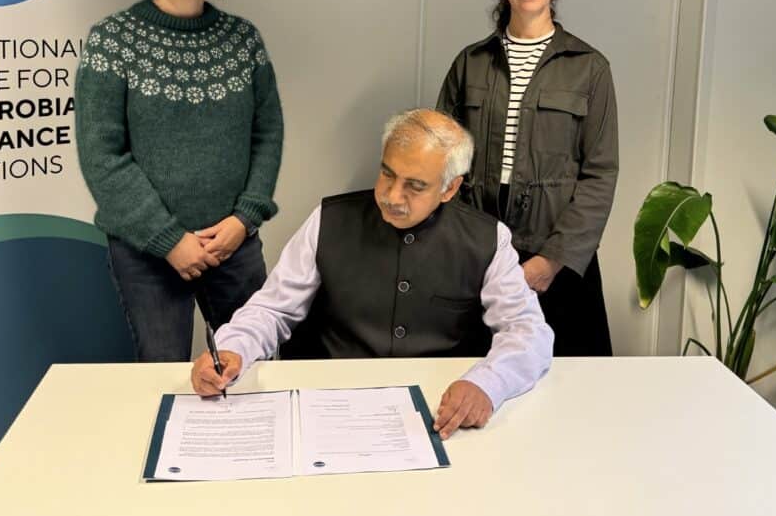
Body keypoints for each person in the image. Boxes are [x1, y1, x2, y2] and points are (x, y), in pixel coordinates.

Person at [191, 109, 553, 440]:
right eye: (387, 174)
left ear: (450, 188)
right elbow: (272, 309)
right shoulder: (328, 219)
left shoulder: (488, 238)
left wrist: (488, 384)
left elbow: (528, 331)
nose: (392, 196)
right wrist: (234, 348)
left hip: (436, 410)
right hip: (330, 404)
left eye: (415, 185)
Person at [75, 0, 283, 361]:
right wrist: (170, 239)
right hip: (147, 253)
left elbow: (267, 136)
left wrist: (244, 219)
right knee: (164, 374)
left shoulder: (243, 40)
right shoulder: (112, 40)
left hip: (233, 245)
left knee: (253, 368)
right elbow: (102, 155)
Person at [437, 0, 618, 356]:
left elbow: (600, 175)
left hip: (559, 262)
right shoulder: (471, 63)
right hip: (481, 259)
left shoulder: (589, 68)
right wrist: (466, 249)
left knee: (566, 383)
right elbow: (442, 163)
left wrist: (551, 261)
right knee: (476, 379)